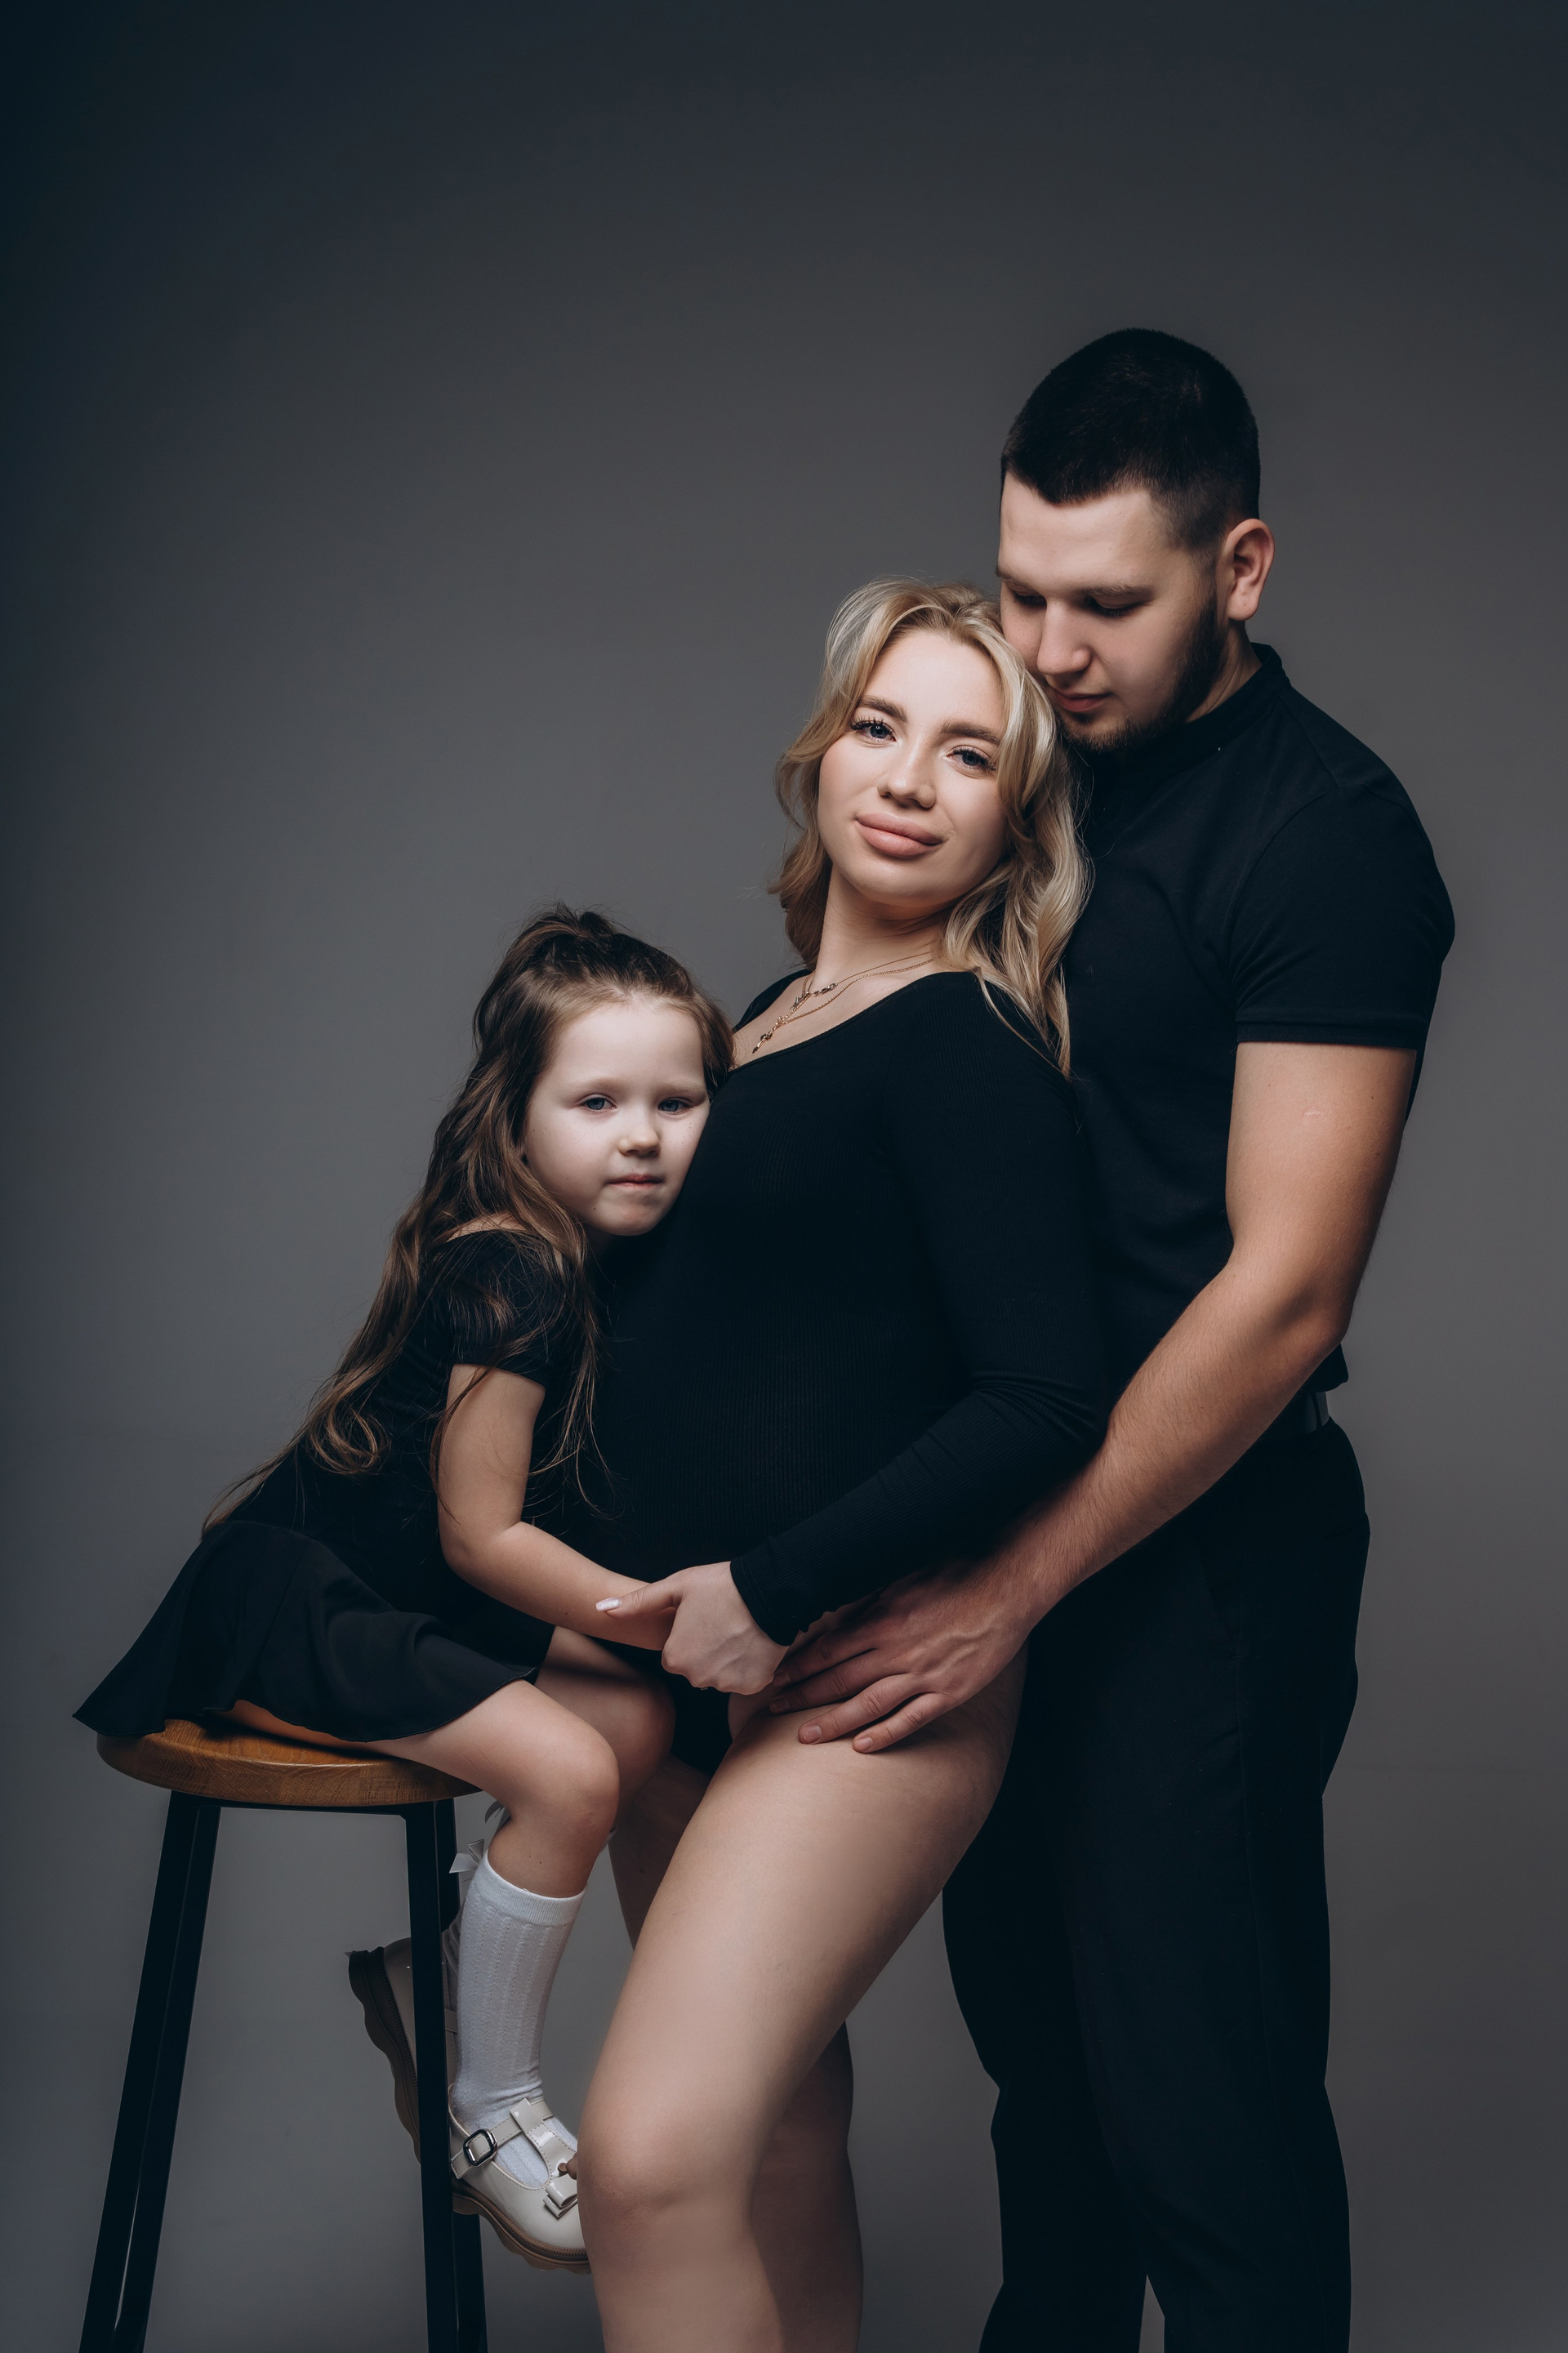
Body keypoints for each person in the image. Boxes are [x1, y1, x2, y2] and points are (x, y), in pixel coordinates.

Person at [769, 332, 1456, 2351]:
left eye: (1108, 603)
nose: (1050, 650)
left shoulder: (1327, 832)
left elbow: (1288, 1291)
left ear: (1241, 568)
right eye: (1023, 590)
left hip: (1194, 1556)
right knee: (1048, 2108)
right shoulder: (1004, 764)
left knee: (1204, 2126)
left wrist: (1015, 1584)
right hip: (984, 1513)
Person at [559, 579, 1107, 2353]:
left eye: (969, 754)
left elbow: (1046, 1399)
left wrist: (771, 1589)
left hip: (845, 1670)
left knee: (651, 2160)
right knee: (773, 2138)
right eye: (880, 726)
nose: (908, 780)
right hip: (677, 1666)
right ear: (823, 749)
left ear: (1017, 814)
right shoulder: (756, 1026)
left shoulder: (971, 1042)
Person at [77, 908, 732, 2272]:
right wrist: (667, 1615)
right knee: (574, 1769)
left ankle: (424, 1968)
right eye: (597, 1101)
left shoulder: (606, 1260)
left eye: (677, 1102)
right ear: (518, 1119)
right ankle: (491, 2112)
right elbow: (484, 1538)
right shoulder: (518, 1265)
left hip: (405, 1606)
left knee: (631, 1721)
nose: (643, 1136)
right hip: (299, 1608)